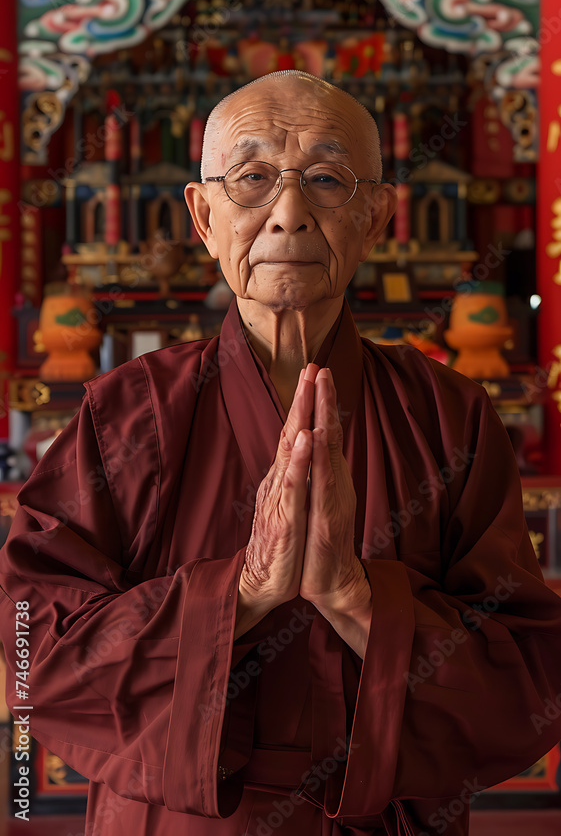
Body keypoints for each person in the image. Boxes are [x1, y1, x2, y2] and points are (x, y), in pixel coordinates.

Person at [1, 70, 561, 836]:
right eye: (252, 178)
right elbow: (32, 648)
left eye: (326, 180)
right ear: (204, 216)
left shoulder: (447, 415)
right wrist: (240, 592)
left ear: (375, 216)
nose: (288, 214)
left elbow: (529, 677)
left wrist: (356, 598)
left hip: (379, 814)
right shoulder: (127, 413)